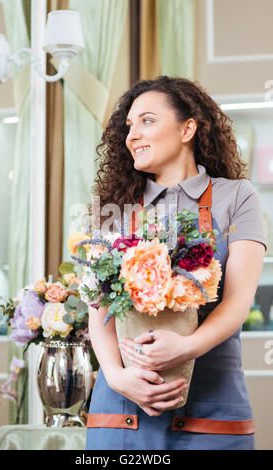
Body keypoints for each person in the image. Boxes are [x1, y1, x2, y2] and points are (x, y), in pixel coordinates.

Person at [85, 76, 267, 450]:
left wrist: (188, 346)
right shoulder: (114, 208)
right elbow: (97, 305)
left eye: (147, 120)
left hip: (211, 410)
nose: (132, 134)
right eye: (129, 126)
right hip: (122, 409)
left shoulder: (237, 197)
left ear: (188, 128)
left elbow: (237, 299)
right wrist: (117, 377)